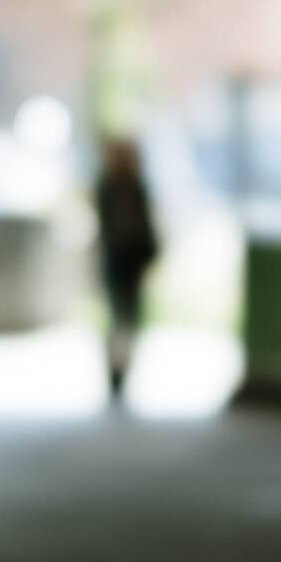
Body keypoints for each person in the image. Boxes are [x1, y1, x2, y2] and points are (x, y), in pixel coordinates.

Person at [92, 133, 159, 401]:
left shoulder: (119, 186)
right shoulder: (122, 186)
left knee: (123, 316)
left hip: (123, 260)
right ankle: (118, 369)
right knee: (124, 316)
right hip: (123, 261)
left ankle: (119, 369)